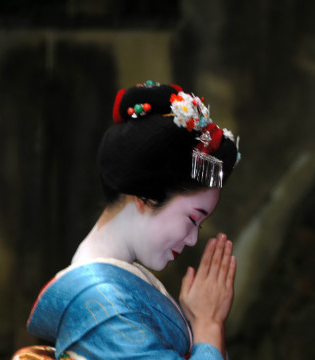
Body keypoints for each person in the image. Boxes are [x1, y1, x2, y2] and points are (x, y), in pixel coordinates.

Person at [13, 81, 241, 360]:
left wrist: (198, 322)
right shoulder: (104, 305)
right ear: (145, 196)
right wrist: (208, 324)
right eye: (193, 218)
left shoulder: (113, 292)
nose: (193, 238)